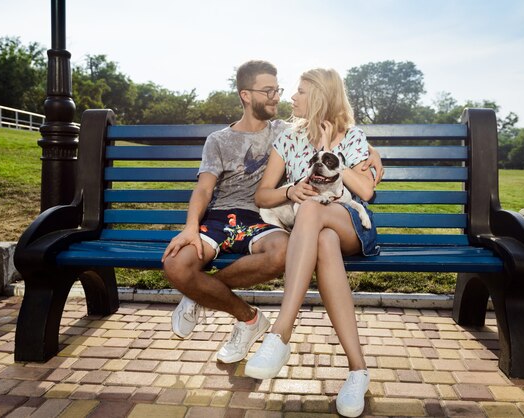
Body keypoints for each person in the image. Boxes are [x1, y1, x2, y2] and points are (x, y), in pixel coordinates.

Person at [162, 60, 382, 366]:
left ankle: (275, 331)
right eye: (271, 90)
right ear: (246, 95)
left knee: (302, 225)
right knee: (318, 229)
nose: (283, 97)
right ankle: (353, 367)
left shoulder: (316, 132)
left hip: (313, 221)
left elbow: (359, 179)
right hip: (254, 221)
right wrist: (190, 227)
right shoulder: (270, 137)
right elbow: (222, 191)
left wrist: (356, 151)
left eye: (289, 90)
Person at [245, 68, 383, 418]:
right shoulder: (288, 139)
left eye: (301, 91)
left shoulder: (353, 137)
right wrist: (290, 190)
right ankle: (357, 371)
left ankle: (279, 334)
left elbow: (366, 191)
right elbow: (262, 193)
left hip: (351, 224)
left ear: (320, 96)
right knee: (321, 235)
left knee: (313, 211)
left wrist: (325, 148)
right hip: (319, 232)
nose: (292, 98)